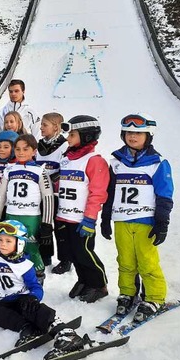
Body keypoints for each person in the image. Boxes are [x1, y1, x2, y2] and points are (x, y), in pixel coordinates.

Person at [0, 220, 85, 354]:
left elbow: (36, 287)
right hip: (5, 302)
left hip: (23, 301)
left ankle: (65, 333)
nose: (2, 244)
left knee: (37, 309)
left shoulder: (25, 266)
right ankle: (27, 328)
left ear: (19, 243)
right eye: (0, 240)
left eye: (8, 241)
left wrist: (33, 297)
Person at [101, 113, 174, 323]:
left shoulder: (157, 163)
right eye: (129, 132)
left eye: (138, 133)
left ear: (148, 136)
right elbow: (110, 193)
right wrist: (105, 219)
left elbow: (164, 195)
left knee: (147, 262)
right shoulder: (115, 163)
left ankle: (154, 297)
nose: (132, 136)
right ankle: (127, 293)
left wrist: (162, 222)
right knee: (125, 261)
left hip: (145, 221)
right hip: (121, 220)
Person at [55, 115, 109, 303]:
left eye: (72, 134)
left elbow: (98, 192)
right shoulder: (67, 158)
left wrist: (90, 218)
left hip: (81, 219)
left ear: (86, 136)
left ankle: (99, 284)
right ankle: (84, 280)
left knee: (84, 252)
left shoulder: (94, 161)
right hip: (64, 216)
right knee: (72, 253)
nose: (68, 138)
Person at [0, 134, 54, 284]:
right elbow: (1, 195)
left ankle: (38, 275)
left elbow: (48, 198)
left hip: (31, 217)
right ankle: (13, 276)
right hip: (11, 215)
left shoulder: (40, 171)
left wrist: (46, 224)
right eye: (18, 149)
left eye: (25, 149)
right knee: (11, 247)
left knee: (31, 248)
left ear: (34, 151)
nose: (21, 152)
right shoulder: (9, 170)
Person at [36, 113, 69, 271]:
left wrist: (49, 177)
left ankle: (65, 259)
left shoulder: (65, 145)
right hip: (41, 193)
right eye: (41, 125)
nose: (41, 128)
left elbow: (66, 167)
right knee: (43, 223)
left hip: (57, 193)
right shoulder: (39, 145)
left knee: (60, 227)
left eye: (44, 125)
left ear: (56, 127)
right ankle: (45, 255)